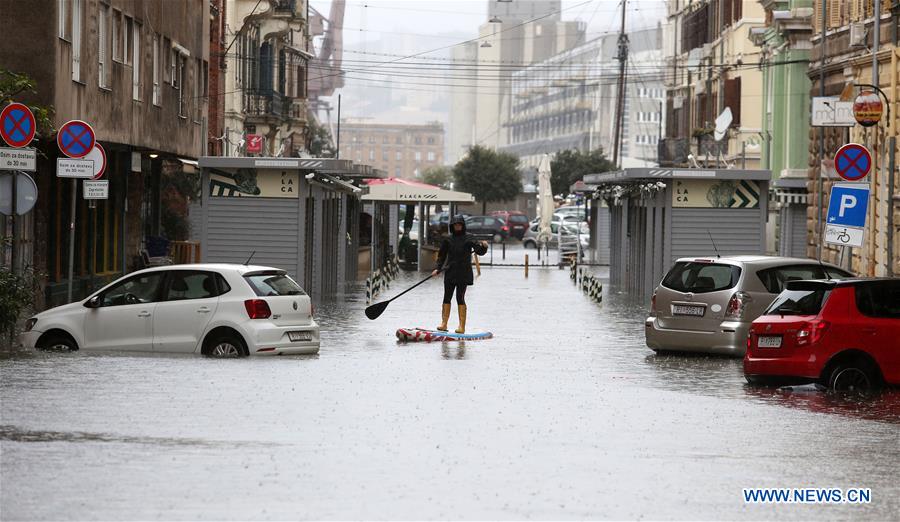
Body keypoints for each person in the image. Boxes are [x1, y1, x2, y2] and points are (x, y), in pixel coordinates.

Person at [431, 215, 488, 333]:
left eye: (459, 224)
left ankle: (462, 326)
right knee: (447, 297)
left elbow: (479, 251)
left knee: (459, 298)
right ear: (452, 226)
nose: (457, 226)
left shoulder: (469, 238)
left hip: (463, 273)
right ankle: (444, 323)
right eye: (455, 225)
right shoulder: (448, 239)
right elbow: (441, 255)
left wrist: (484, 247)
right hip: (450, 272)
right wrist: (438, 268)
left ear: (462, 226)